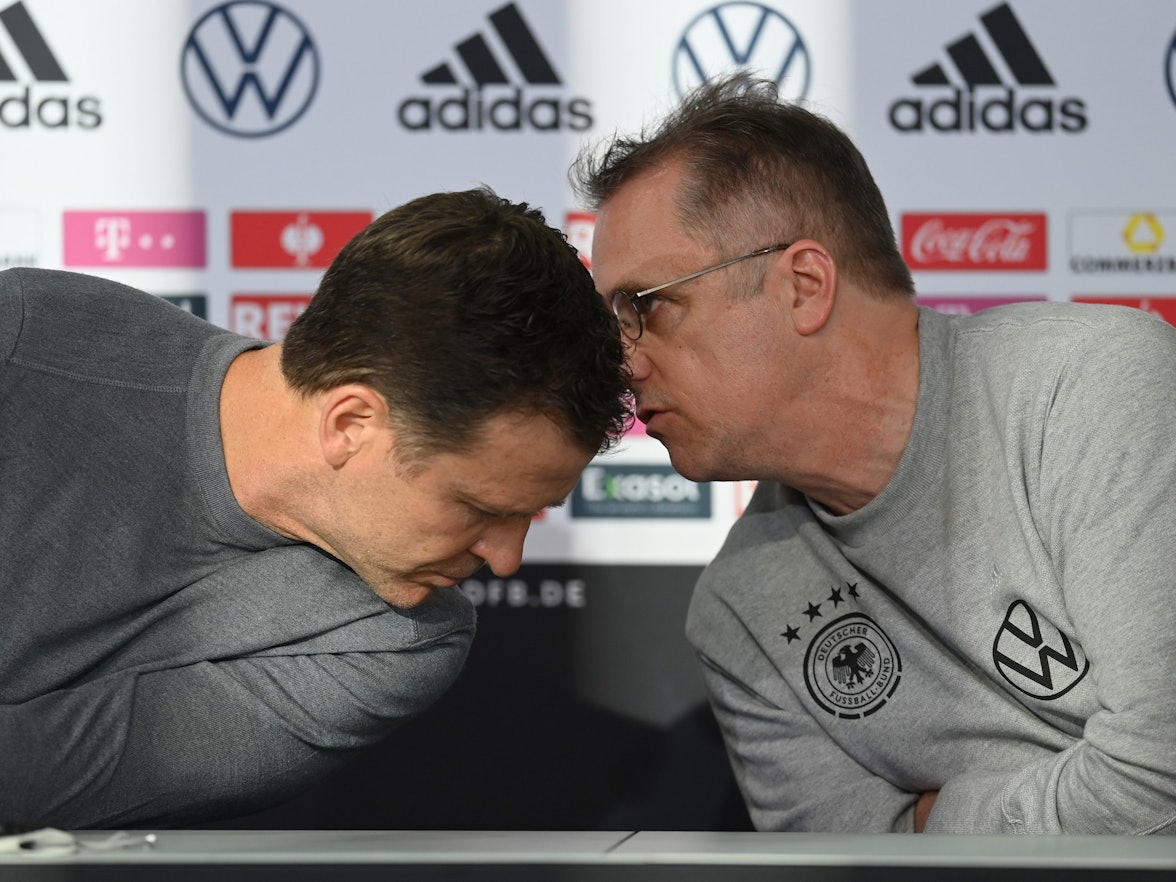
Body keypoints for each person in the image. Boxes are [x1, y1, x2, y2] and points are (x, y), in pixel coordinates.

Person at [574, 74, 1176, 835]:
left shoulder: (1093, 388)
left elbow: (1162, 770)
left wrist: (936, 825)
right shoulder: (738, 612)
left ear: (803, 285)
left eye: (647, 307)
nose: (624, 363)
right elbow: (858, 870)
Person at [0, 187, 631, 829]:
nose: (505, 559)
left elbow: (26, 778)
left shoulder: (394, 641)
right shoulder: (24, 340)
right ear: (351, 422)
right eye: (479, 506)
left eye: (530, 514)